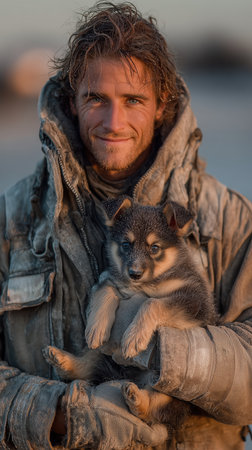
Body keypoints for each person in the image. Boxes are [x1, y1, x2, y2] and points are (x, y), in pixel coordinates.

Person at [0, 1, 251, 448]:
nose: (113, 123)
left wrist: (167, 352)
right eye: (96, 98)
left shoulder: (227, 218)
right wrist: (58, 415)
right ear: (72, 102)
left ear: (161, 105)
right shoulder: (15, 218)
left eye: (133, 100)